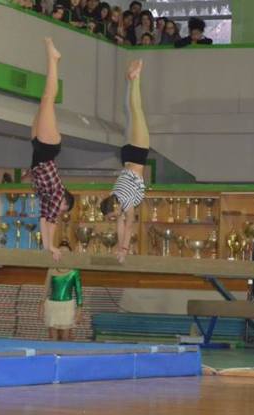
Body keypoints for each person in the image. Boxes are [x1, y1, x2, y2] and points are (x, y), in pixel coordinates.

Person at [30, 38, 75, 261]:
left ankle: (52, 58)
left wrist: (46, 246)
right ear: (65, 201)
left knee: (43, 101)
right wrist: (52, 247)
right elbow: (52, 222)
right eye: (65, 208)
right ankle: (53, 59)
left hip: (38, 150)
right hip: (47, 149)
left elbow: (43, 219)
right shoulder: (57, 195)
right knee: (48, 98)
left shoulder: (48, 198)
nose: (61, 211)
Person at [100, 60, 149, 264]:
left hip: (137, 155)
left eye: (112, 215)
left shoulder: (126, 204)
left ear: (116, 207)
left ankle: (135, 79)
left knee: (136, 111)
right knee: (129, 113)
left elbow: (128, 226)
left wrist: (125, 249)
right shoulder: (114, 195)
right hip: (127, 156)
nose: (114, 219)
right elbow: (122, 224)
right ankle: (131, 81)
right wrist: (120, 248)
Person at [40, 244, 83, 341]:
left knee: (65, 337)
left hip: (67, 306)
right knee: (53, 337)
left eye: (66, 253)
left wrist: (79, 310)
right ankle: (52, 355)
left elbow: (78, 292)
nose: (63, 255)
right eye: (61, 252)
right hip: (52, 306)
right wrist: (41, 305)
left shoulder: (74, 271)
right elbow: (46, 288)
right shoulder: (52, 269)